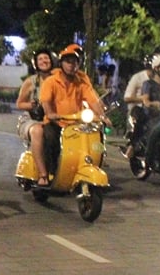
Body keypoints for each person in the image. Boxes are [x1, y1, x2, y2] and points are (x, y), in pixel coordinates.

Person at [39, 44, 109, 187]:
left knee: (93, 138)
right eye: (68, 62)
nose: (72, 65)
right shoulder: (51, 81)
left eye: (75, 62)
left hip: (76, 124)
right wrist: (51, 114)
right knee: (51, 138)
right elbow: (46, 103)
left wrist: (103, 116)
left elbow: (93, 100)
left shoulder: (81, 82)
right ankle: (50, 172)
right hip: (56, 123)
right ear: (61, 64)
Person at [15, 49, 55, 188]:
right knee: (38, 131)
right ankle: (43, 175)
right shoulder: (31, 82)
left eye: (46, 58)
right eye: (40, 59)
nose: (44, 61)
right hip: (33, 119)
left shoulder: (58, 79)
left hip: (53, 118)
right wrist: (32, 105)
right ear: (35, 64)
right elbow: (19, 103)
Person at [122, 56, 154, 158]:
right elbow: (127, 98)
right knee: (142, 117)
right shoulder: (138, 78)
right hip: (138, 109)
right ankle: (132, 146)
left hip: (155, 110)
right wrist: (142, 99)